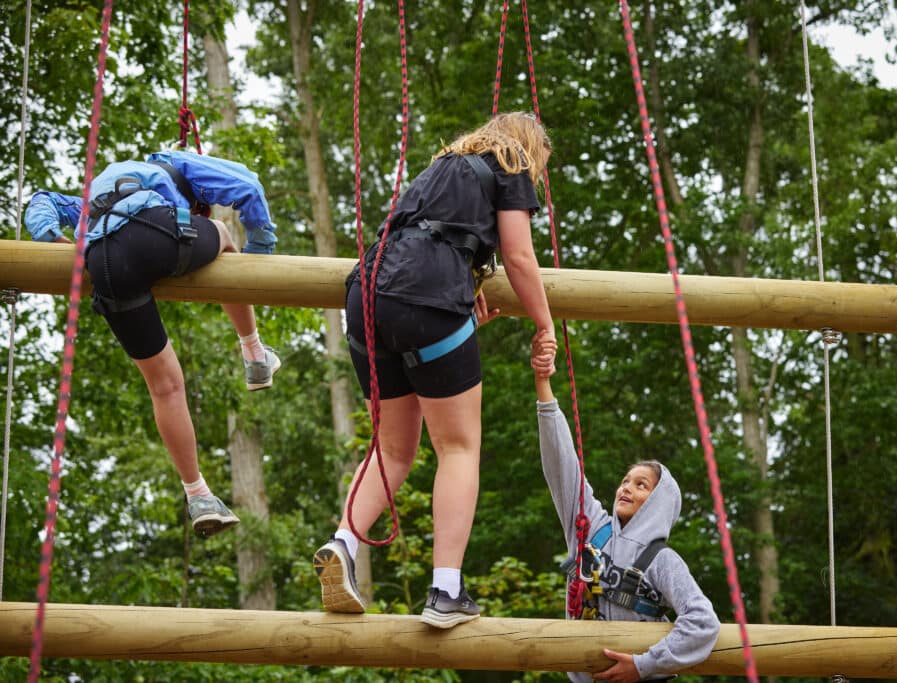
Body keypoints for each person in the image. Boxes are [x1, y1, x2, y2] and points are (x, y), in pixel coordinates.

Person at [314, 112, 557, 628]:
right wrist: (545, 325)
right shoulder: (510, 162)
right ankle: (446, 589)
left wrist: (463, 291)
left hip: (366, 294)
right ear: (529, 150)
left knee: (392, 450)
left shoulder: (439, 169)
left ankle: (343, 543)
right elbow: (517, 253)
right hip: (425, 300)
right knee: (459, 446)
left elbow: (424, 242)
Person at [23, 149, 282, 537]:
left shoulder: (95, 196)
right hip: (154, 230)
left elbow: (41, 201)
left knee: (165, 386)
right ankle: (255, 353)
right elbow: (248, 186)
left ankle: (199, 496)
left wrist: (54, 238)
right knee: (226, 234)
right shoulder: (176, 164)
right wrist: (260, 251)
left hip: (103, 261)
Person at [532, 331, 720, 682]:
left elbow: (703, 622)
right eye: (625, 481)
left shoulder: (661, 559)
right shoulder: (590, 529)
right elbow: (562, 464)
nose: (626, 488)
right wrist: (543, 383)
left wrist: (643, 665)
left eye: (641, 484)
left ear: (659, 502)